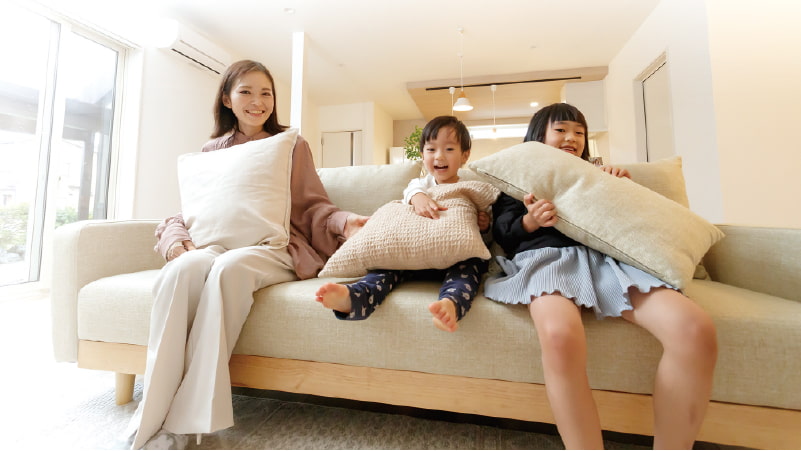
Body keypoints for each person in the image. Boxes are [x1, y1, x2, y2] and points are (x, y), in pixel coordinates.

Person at [125, 60, 369, 450]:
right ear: (227, 99)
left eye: (266, 93)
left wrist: (344, 223)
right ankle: (150, 418)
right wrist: (175, 239)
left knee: (229, 268)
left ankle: (186, 424)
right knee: (182, 269)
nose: (258, 101)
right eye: (246, 92)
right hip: (214, 243)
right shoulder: (211, 151)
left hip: (272, 247)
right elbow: (191, 211)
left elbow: (312, 205)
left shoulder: (291, 145)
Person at [484, 103, 717, 449]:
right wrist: (530, 221)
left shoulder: (598, 174)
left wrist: (619, 190)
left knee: (695, 329)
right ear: (537, 136)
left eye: (579, 132)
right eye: (561, 130)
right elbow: (504, 233)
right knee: (560, 336)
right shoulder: (519, 177)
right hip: (545, 260)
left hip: (608, 262)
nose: (572, 138)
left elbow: (632, 226)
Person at [314, 116, 491, 332]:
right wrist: (418, 197)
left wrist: (484, 225)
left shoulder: (470, 189)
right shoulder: (421, 184)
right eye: (431, 149)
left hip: (454, 259)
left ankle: (451, 305)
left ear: (465, 155)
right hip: (411, 258)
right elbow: (411, 191)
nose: (439, 156)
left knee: (470, 270)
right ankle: (353, 297)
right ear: (422, 154)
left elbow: (482, 231)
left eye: (449, 149)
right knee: (384, 271)